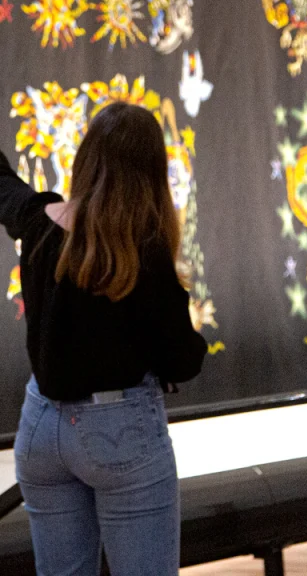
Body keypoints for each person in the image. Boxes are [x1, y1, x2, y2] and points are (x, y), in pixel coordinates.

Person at [0, 102, 208, 576]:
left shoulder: (38, 220)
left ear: (86, 158)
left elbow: (3, 187)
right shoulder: (145, 249)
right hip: (119, 432)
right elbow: (182, 360)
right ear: (153, 171)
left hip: (39, 427)